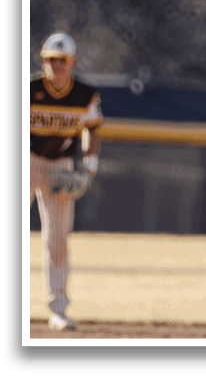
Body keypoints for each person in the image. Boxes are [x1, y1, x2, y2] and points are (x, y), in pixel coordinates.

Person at [29, 32, 103, 331]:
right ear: (43, 60)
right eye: (50, 59)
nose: (56, 65)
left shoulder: (84, 94)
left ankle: (58, 309)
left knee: (57, 239)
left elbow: (93, 130)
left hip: (60, 164)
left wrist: (89, 167)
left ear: (72, 62)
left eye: (61, 60)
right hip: (27, 157)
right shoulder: (29, 88)